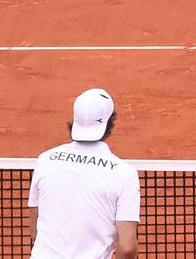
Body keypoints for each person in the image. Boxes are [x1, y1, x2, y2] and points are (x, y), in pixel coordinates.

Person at [28, 88, 140, 259]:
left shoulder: (44, 160)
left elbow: (36, 230)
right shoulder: (125, 174)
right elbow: (127, 248)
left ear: (75, 120)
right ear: (110, 123)